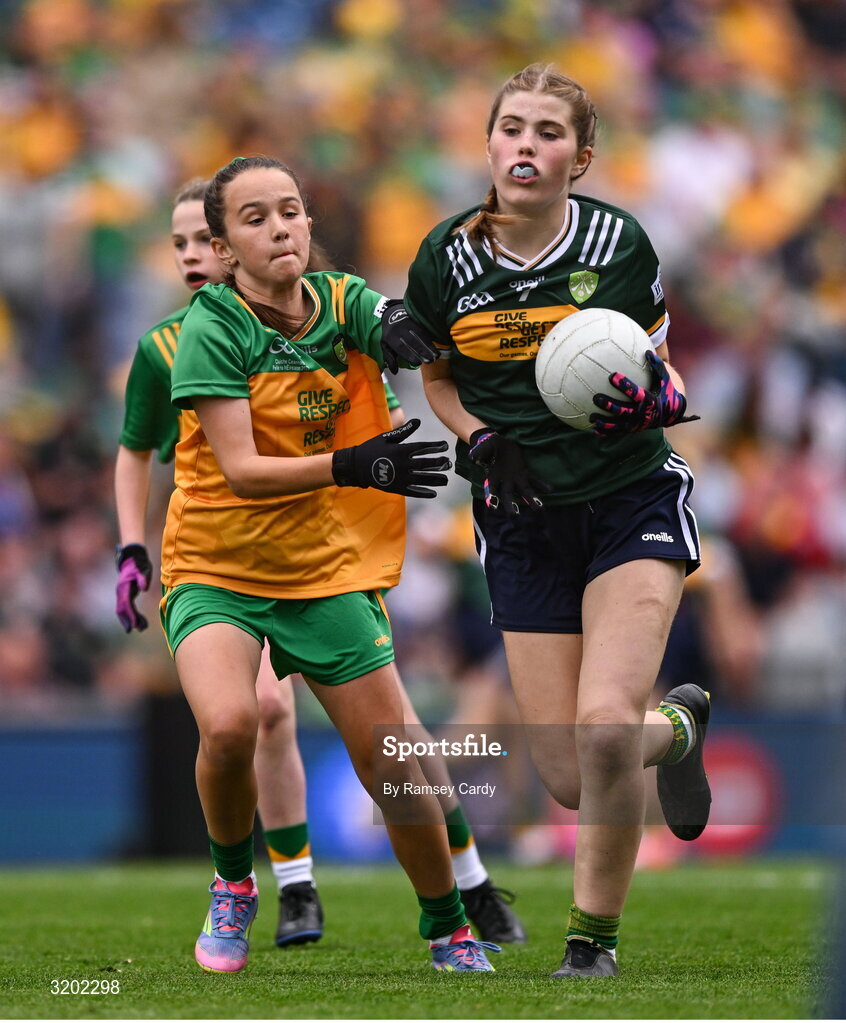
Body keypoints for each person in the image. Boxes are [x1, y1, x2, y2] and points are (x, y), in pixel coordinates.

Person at [116, 178, 526, 954]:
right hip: (216, 567)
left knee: (392, 761)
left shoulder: (340, 299)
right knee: (236, 722)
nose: (280, 228)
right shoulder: (210, 328)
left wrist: (408, 320)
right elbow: (239, 469)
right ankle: (237, 883)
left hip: (323, 569)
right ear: (226, 247)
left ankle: (448, 923)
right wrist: (357, 465)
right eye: (255, 218)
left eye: (291, 211)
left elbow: (381, 318)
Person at [405, 63, 711, 979]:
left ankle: (592, 944)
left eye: (546, 131)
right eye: (511, 127)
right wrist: (475, 434)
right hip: (522, 517)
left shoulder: (620, 243)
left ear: (580, 156)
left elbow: (669, 374)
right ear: (490, 144)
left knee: (606, 729)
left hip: (629, 499)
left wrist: (651, 401)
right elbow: (437, 374)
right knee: (572, 775)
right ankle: (684, 732)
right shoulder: (443, 258)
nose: (525, 145)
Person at [115, 178, 324, 948]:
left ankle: (299, 882)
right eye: (178, 245)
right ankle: (251, 881)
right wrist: (130, 544)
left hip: (292, 541)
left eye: (201, 240)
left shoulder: (295, 320)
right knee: (252, 713)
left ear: (229, 244)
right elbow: (134, 450)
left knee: (282, 713)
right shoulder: (164, 346)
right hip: (207, 550)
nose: (191, 256)